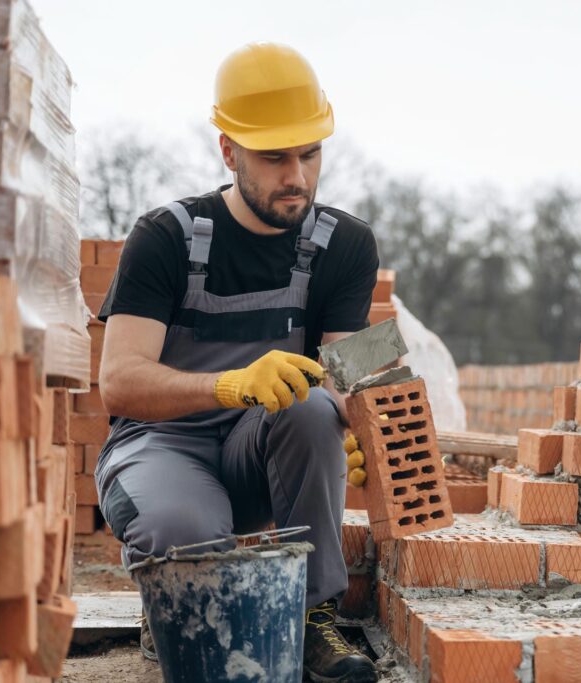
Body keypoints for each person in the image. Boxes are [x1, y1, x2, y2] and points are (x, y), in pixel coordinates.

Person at [93, 42, 379, 683]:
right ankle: (169, 599)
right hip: (161, 445)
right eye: (274, 157)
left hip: (260, 449)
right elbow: (119, 382)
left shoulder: (346, 245)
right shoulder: (165, 237)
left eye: (309, 153)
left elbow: (343, 373)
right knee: (187, 537)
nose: (297, 176)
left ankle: (310, 619)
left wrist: (365, 428)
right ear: (228, 151)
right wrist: (229, 384)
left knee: (310, 409)